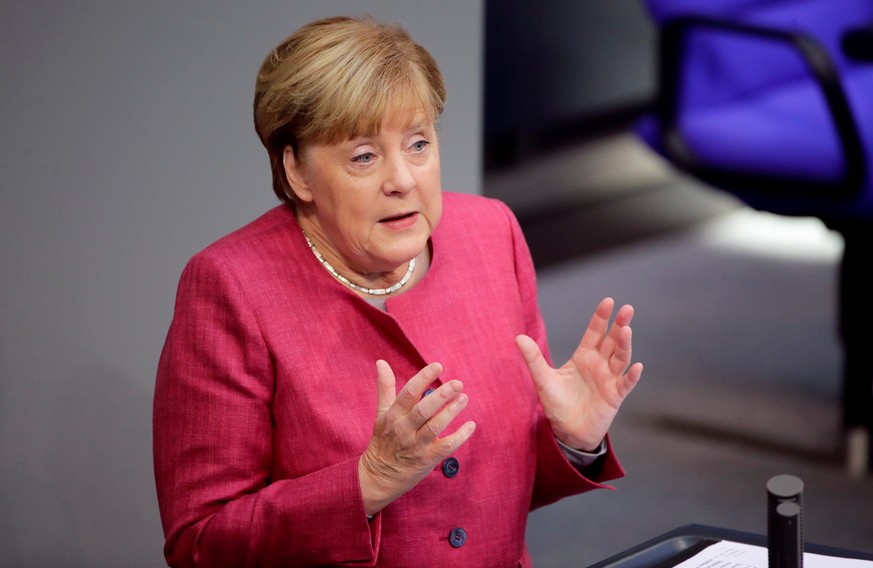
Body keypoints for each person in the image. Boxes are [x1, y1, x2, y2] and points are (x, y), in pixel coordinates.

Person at [152, 15, 643, 568]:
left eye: (417, 144)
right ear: (298, 173)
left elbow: (489, 494)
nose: (403, 179)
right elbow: (200, 542)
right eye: (364, 156)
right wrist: (369, 480)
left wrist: (573, 441)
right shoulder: (231, 287)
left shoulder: (491, 233)